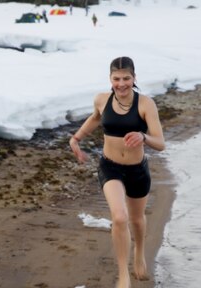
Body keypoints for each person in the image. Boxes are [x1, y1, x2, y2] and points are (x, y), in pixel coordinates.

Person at [69, 56, 165, 288]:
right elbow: (95, 118)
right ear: (110, 79)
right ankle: (123, 275)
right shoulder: (102, 99)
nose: (121, 84)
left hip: (137, 170)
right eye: (116, 79)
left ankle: (139, 252)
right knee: (120, 217)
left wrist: (143, 136)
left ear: (134, 78)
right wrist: (76, 139)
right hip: (110, 166)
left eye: (126, 78)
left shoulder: (145, 104)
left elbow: (160, 143)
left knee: (137, 220)